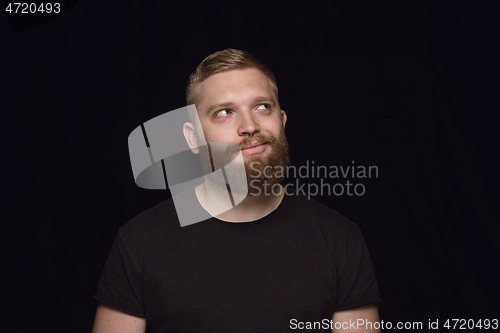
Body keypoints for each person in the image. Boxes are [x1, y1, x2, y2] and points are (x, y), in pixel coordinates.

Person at [92, 49, 382, 332]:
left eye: (261, 107)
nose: (249, 126)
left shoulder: (339, 240)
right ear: (193, 138)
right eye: (225, 112)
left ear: (281, 122)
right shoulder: (139, 243)